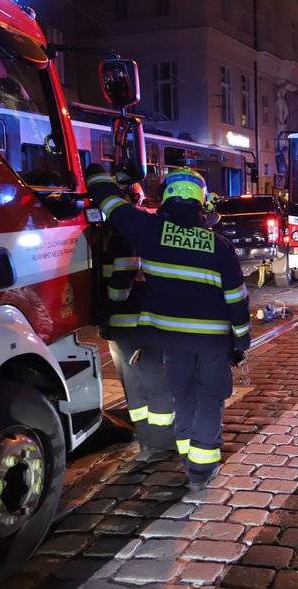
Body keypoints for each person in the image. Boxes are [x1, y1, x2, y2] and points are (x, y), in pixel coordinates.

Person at [85, 163, 251, 492]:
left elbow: (109, 204)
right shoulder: (218, 245)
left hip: (172, 342)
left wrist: (97, 171)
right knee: (209, 399)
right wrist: (241, 343)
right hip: (212, 344)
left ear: (166, 197)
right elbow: (237, 301)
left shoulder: (149, 230)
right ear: (201, 203)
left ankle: (190, 460)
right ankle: (201, 471)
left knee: (184, 397)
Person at [98, 182, 177, 459]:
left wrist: (105, 312)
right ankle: (158, 441)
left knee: (139, 386)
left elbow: (120, 280)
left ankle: (151, 442)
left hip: (127, 323)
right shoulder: (131, 230)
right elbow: (124, 279)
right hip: (139, 322)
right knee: (154, 384)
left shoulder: (116, 232)